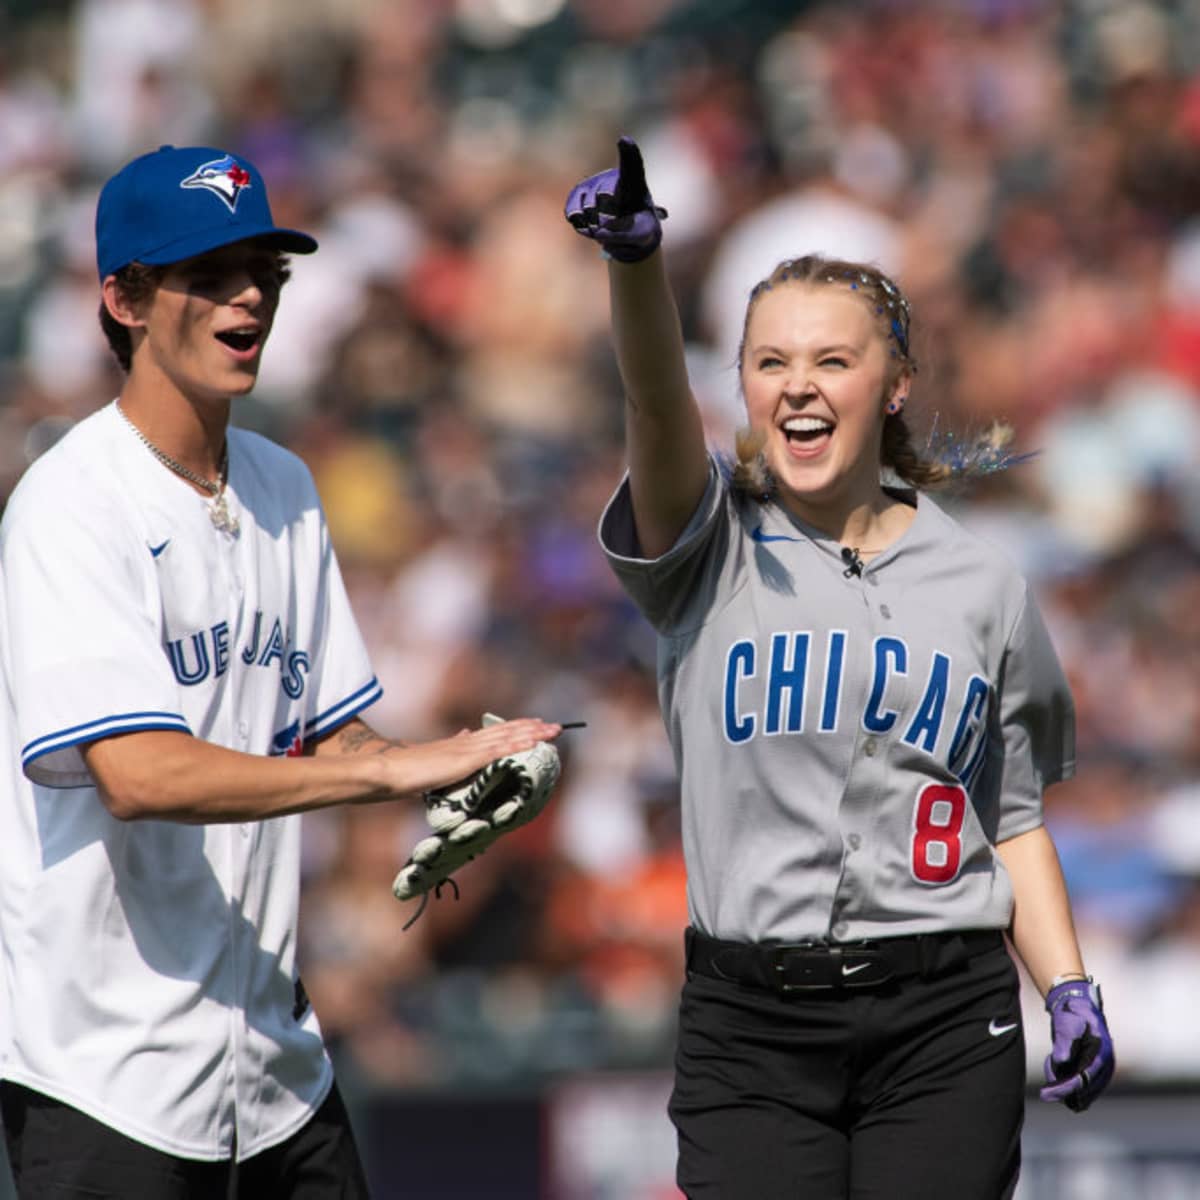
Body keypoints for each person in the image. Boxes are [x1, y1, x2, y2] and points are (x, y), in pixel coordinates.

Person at [0, 144, 563, 1199]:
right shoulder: (69, 503)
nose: (248, 294)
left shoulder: (286, 484)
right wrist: (390, 776)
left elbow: (336, 741)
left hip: (272, 1068)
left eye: (264, 270)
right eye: (208, 274)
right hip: (104, 1076)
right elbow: (141, 776)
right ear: (123, 298)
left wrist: (470, 768)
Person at [564, 138, 1114, 1200]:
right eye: (770, 363)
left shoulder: (983, 580)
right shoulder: (704, 542)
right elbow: (653, 407)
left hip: (945, 1015)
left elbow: (1012, 818)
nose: (798, 387)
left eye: (831, 360)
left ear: (896, 382)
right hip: (750, 1020)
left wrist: (1070, 986)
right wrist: (635, 269)